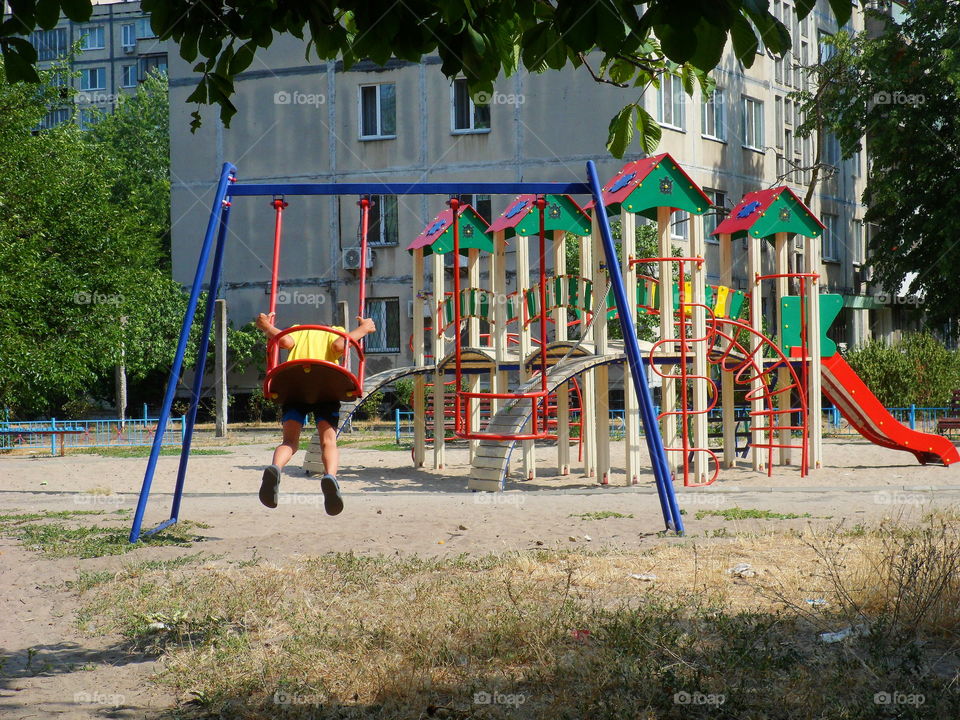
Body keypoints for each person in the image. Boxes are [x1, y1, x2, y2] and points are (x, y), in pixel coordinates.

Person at [255, 312, 376, 515]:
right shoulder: (335, 332)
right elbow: (339, 346)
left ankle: (276, 468)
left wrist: (267, 326)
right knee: (328, 441)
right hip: (326, 386)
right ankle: (330, 477)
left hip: (294, 387)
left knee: (289, 442)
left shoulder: (298, 331)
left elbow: (283, 340)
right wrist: (363, 329)